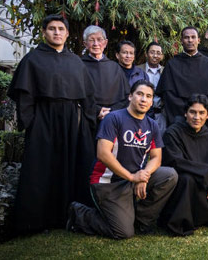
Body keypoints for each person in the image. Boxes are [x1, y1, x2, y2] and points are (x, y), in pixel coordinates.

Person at [7, 14, 96, 233]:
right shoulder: (33, 59)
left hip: (72, 121)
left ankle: (73, 216)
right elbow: (25, 96)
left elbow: (88, 96)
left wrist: (87, 121)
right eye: (52, 29)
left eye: (60, 29)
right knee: (42, 169)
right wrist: (31, 123)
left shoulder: (75, 61)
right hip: (43, 120)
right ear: (44, 32)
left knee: (74, 166)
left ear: (67, 33)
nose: (57, 33)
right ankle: (37, 221)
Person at [66, 80, 178, 239]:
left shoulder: (152, 125)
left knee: (169, 175)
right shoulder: (113, 118)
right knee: (123, 232)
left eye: (148, 96)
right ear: (130, 96)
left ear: (152, 101)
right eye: (139, 94)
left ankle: (141, 220)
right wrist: (132, 177)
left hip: (132, 179)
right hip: (108, 182)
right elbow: (103, 154)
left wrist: (143, 176)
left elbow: (156, 158)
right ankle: (80, 214)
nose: (143, 99)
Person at [160, 94, 208, 236]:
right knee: (187, 179)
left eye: (201, 113)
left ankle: (198, 218)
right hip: (180, 187)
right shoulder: (172, 133)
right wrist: (207, 172)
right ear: (185, 113)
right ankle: (180, 223)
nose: (196, 117)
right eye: (192, 112)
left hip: (202, 188)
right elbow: (175, 161)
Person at [156, 27, 208, 127]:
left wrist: (200, 112)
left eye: (193, 37)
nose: (190, 40)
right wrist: (187, 112)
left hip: (202, 120)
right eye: (186, 37)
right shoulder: (172, 65)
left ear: (198, 40)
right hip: (178, 119)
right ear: (181, 41)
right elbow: (167, 93)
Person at [81, 25, 130, 124]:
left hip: (113, 118)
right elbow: (76, 95)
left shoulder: (115, 68)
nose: (96, 44)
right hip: (87, 119)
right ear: (85, 44)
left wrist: (110, 111)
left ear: (105, 43)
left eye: (99, 39)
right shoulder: (79, 66)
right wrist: (97, 110)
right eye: (91, 40)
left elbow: (126, 97)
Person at [137, 42, 166, 134]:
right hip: (141, 113)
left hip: (160, 115)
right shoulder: (137, 70)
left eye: (158, 53)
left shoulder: (166, 71)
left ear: (162, 56)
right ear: (146, 54)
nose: (155, 55)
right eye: (152, 52)